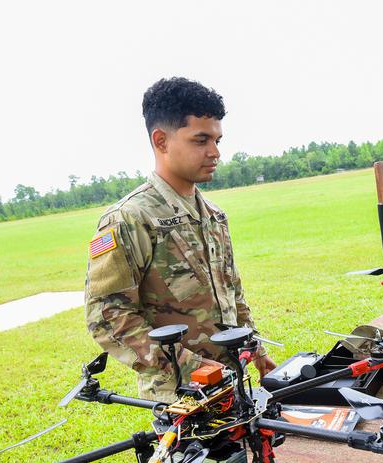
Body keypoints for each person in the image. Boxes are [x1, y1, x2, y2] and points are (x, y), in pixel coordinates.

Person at [85, 77, 275, 402]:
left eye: (217, 140)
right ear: (161, 141)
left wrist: (253, 348)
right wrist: (191, 368)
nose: (215, 152)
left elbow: (232, 293)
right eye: (201, 140)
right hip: (181, 396)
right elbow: (108, 314)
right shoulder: (131, 219)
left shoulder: (213, 214)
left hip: (235, 382)